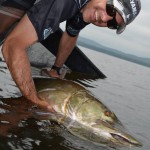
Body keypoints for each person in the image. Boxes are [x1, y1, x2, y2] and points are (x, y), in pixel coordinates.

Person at [1, 0, 141, 111]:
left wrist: (56, 69)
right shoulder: (64, 3)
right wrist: (35, 101)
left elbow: (73, 31)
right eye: (110, 9)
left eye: (112, 23)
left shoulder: (88, 7)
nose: (103, 18)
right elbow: (13, 46)